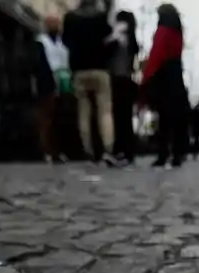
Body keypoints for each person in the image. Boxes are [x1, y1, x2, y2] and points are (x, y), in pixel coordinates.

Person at [63, 0, 117, 166]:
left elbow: (65, 41)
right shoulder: (101, 18)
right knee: (105, 111)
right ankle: (108, 149)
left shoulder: (70, 18)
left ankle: (87, 151)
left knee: (83, 112)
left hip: (79, 70)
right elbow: (109, 39)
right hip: (100, 68)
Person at [141, 4, 188, 168]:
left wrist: (147, 77)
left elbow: (157, 54)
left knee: (164, 119)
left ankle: (163, 154)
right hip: (176, 74)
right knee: (176, 117)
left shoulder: (162, 31)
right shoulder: (178, 32)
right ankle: (177, 154)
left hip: (164, 76)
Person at [34, 15, 72, 164]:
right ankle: (47, 151)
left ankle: (58, 150)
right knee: (46, 119)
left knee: (60, 119)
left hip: (64, 82)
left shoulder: (62, 43)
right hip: (47, 83)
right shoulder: (40, 42)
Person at [108, 10, 140, 164]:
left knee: (119, 116)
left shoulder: (119, 36)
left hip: (118, 78)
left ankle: (121, 150)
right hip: (127, 79)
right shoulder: (132, 37)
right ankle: (127, 151)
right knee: (125, 116)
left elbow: (108, 48)